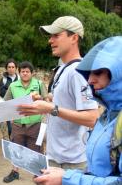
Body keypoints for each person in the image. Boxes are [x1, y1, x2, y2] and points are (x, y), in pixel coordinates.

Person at [33, 36, 122, 185]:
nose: (90, 80)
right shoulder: (108, 114)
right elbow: (100, 171)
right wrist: (69, 175)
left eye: (98, 72)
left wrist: (67, 180)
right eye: (89, 74)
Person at [17, 16, 99, 170]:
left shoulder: (79, 71)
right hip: (55, 156)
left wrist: (50, 108)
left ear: (74, 38)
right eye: (50, 36)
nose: (50, 41)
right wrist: (43, 101)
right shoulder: (63, 69)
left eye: (56, 35)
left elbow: (92, 118)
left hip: (72, 162)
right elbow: (63, 104)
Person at [3, 61, 48, 183]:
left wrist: (41, 99)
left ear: (32, 73)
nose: (25, 73)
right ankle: (15, 171)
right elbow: (6, 102)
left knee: (36, 150)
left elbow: (47, 100)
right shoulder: (13, 86)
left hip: (35, 123)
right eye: (22, 71)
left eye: (27, 71)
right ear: (19, 72)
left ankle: (39, 173)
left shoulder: (39, 84)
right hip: (18, 123)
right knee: (16, 148)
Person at [0, 59, 20, 137]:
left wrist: (9, 91)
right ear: (6, 68)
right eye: (9, 67)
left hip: (18, 105)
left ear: (16, 68)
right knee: (10, 128)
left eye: (13, 67)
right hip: (8, 105)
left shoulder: (20, 79)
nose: (11, 69)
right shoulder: (3, 79)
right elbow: (1, 93)